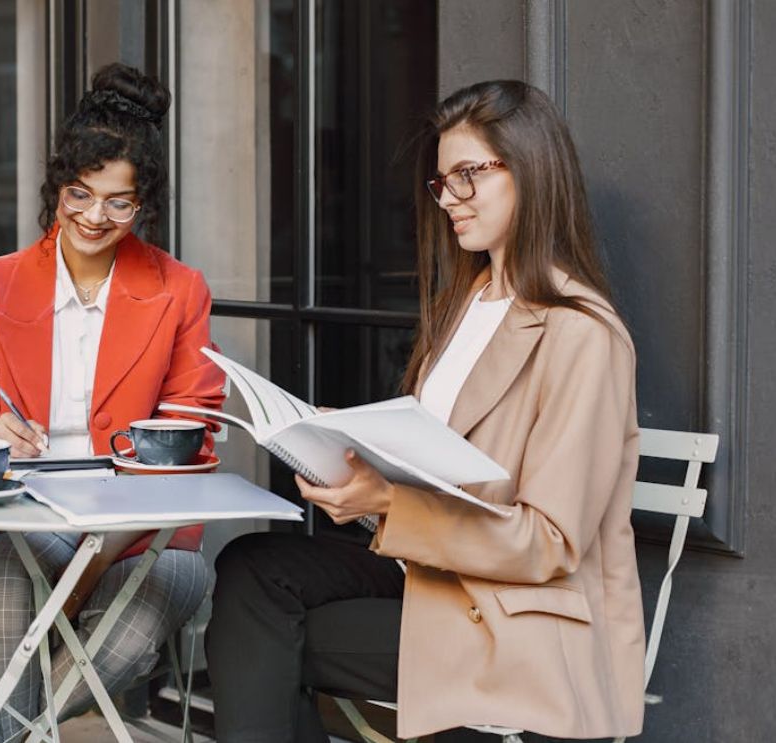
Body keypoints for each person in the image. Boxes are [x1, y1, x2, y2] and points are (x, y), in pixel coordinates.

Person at [207, 80, 645, 742]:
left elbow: (548, 542)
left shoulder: (581, 331)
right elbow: (437, 452)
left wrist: (386, 503)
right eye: (443, 183)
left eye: (469, 175)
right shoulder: (466, 302)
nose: (451, 200)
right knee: (250, 568)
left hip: (508, 611)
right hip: (428, 572)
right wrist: (344, 439)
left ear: (530, 168)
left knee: (265, 632)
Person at [0, 63, 226, 740]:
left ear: (143, 204)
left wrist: (103, 543)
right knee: (4, 585)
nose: (96, 217)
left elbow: (193, 429)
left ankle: (12, 735)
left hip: (145, 528)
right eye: (79, 194)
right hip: (24, 515)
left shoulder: (178, 290)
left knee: (136, 612)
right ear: (56, 190)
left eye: (118, 202)